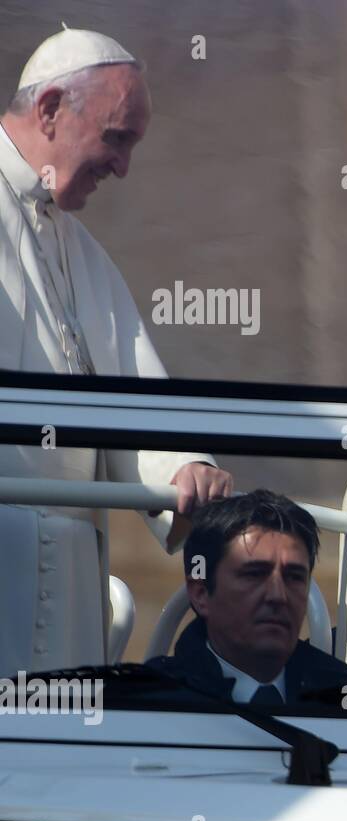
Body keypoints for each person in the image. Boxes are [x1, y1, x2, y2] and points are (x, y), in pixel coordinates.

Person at [0, 28, 232, 675]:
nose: (123, 166)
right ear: (49, 109)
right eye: (116, 137)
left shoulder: (84, 254)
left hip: (70, 580)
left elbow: (135, 394)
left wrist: (184, 467)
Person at [148, 490, 347, 704]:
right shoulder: (143, 705)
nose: (278, 595)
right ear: (200, 594)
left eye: (294, 577)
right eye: (254, 575)